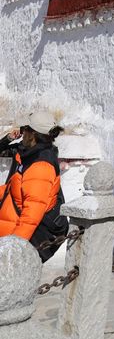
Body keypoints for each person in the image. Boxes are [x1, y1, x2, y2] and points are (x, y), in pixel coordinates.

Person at [0, 110, 68, 261]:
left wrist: (12, 251)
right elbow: (14, 189)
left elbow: (31, 216)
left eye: (25, 129)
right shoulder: (28, 153)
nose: (22, 132)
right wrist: (8, 139)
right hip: (9, 220)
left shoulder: (40, 167)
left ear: (33, 134)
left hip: (21, 235)